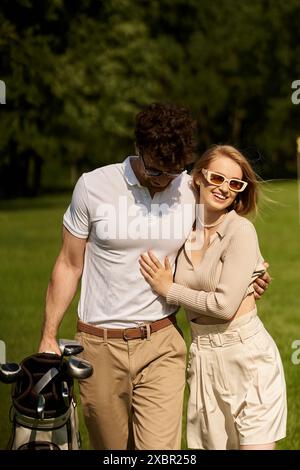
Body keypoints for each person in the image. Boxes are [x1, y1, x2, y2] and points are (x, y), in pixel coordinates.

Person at [38, 105, 270, 450]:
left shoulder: (187, 188)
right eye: (155, 170)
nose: (164, 180)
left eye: (173, 171)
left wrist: (256, 269)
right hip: (100, 344)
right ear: (138, 148)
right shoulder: (93, 187)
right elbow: (69, 264)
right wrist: (49, 335)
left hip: (161, 342)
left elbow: (223, 231)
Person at [139, 144, 287, 450]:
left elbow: (223, 305)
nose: (223, 188)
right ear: (198, 177)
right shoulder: (180, 231)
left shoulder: (240, 231)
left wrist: (170, 290)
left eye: (235, 184)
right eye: (216, 178)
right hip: (203, 356)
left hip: (247, 356)